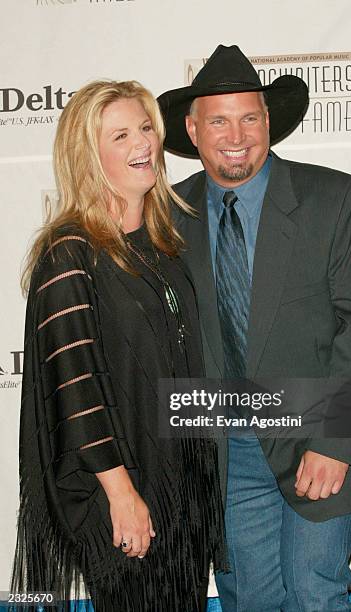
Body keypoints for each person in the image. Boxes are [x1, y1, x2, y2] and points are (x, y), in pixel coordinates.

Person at [158, 45, 351, 611]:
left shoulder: (336, 198)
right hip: (225, 451)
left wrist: (335, 442)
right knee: (252, 602)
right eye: (218, 119)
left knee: (316, 593)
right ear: (193, 130)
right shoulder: (165, 216)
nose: (235, 135)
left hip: (319, 433)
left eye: (249, 117)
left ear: (269, 122)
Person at [11, 79, 226, 612]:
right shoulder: (70, 253)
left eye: (146, 127)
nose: (143, 143)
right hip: (126, 498)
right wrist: (122, 496)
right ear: (88, 156)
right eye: (121, 134)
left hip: (182, 492)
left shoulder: (162, 244)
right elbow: (76, 389)